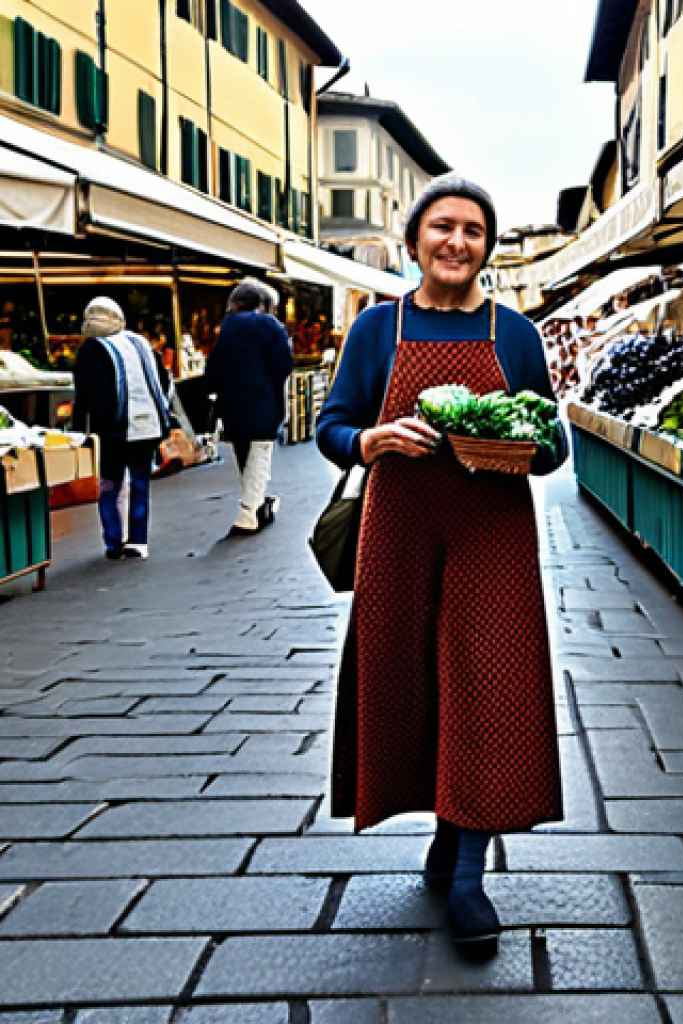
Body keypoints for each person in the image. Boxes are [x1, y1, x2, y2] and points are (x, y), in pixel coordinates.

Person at [316, 173, 567, 957]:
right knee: (409, 679)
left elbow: (553, 445)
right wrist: (372, 440)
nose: (458, 242)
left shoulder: (515, 334)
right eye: (443, 227)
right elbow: (332, 425)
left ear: (488, 248)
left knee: (488, 684)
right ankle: (440, 828)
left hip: (492, 533)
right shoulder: (375, 331)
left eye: (474, 231)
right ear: (415, 238)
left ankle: (466, 871)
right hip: (398, 530)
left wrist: (527, 448)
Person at [72, 297, 171, 560]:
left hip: (113, 429)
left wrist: (79, 431)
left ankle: (113, 541)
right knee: (140, 482)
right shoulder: (139, 342)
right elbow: (162, 379)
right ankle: (138, 541)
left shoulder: (92, 348)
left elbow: (84, 394)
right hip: (147, 426)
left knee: (109, 484)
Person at [204, 278, 294, 536]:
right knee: (260, 455)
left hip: (232, 406)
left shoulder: (227, 327)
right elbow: (283, 365)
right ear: (262, 303)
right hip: (263, 402)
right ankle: (248, 513)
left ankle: (256, 503)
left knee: (245, 456)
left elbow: (214, 369)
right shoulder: (270, 326)